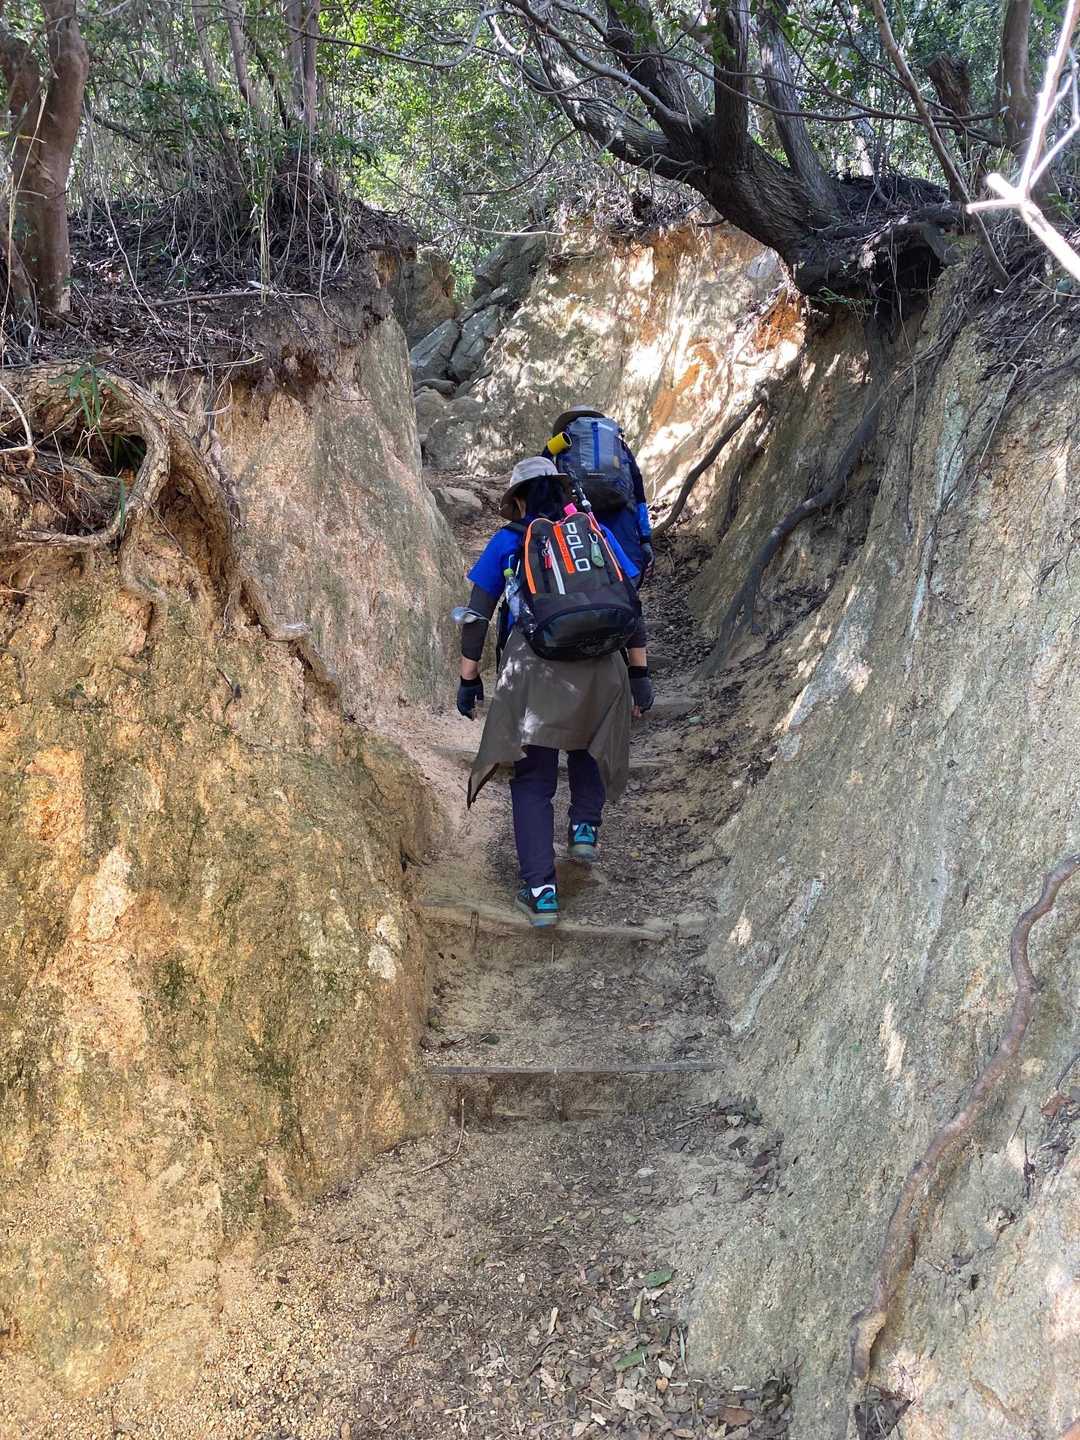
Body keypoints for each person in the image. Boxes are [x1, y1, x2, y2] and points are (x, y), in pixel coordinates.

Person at [456, 456, 654, 927]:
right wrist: (640, 675)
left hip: (534, 670)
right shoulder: (593, 534)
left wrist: (468, 678)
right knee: (587, 744)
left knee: (533, 779)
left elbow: (477, 615)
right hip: (603, 665)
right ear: (562, 491)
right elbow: (631, 603)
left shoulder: (509, 540)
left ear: (519, 499)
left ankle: (541, 890)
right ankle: (584, 827)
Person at [542, 405, 654, 583]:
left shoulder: (561, 443)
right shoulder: (618, 445)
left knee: (589, 572)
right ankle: (628, 596)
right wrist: (645, 538)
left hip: (577, 512)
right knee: (629, 569)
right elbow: (638, 491)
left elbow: (544, 476)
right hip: (621, 510)